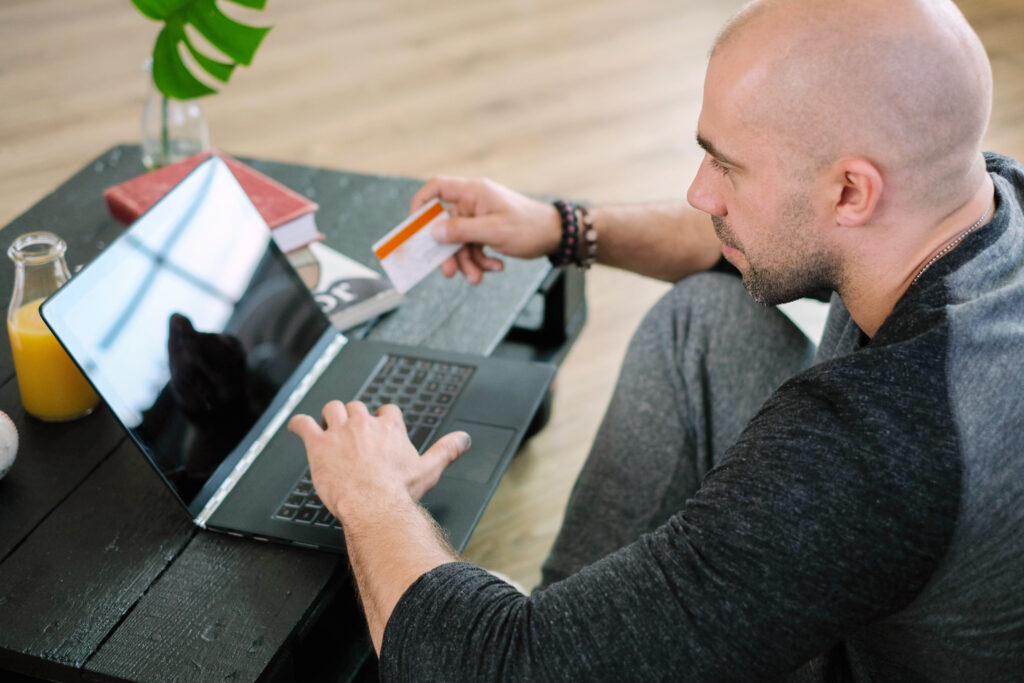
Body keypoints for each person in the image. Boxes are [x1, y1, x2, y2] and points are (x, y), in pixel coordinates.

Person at [288, 0, 1024, 679]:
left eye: (728, 166)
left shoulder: (873, 448)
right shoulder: (979, 198)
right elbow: (741, 245)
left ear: (851, 192)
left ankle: (564, 641)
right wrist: (560, 228)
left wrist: (372, 494)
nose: (702, 194)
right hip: (893, 576)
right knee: (705, 318)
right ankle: (577, 621)